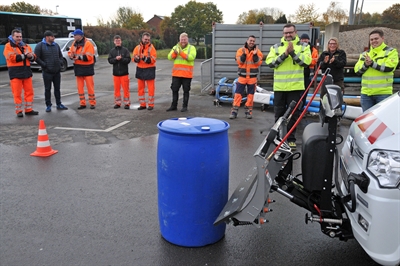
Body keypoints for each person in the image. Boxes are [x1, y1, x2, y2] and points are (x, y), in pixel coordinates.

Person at [265, 23, 311, 151]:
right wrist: (284, 54)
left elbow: (306, 62)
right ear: (283, 34)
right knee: (278, 113)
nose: (288, 35)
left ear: (295, 32)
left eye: (290, 32)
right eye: (286, 33)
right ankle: (277, 138)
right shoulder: (276, 47)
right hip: (280, 87)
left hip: (295, 87)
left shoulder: (304, 46)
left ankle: (290, 139)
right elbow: (271, 63)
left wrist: (293, 54)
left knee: (293, 115)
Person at [355, 29, 399, 112]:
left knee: (383, 121)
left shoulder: (391, 52)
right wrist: (366, 65)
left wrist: (372, 64)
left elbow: (389, 68)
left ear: (382, 38)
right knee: (367, 121)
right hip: (366, 94)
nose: (373, 41)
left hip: (383, 93)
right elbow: (357, 71)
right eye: (371, 39)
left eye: (376, 39)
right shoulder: (365, 54)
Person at [3, 29, 39, 117]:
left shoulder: (26, 46)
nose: (19, 38)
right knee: (17, 93)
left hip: (26, 71)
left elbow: (34, 57)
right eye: (17, 37)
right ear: (12, 37)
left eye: (20, 36)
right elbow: (12, 58)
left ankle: (28, 109)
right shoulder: (8, 46)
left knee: (29, 92)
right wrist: (25, 56)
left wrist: (30, 56)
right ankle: (19, 111)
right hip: (15, 72)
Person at [229, 35, 263, 119]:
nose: (252, 42)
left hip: (252, 78)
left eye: (253, 41)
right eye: (250, 40)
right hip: (242, 77)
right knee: (238, 94)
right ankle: (234, 111)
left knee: (250, 95)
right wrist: (244, 54)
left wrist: (255, 55)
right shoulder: (240, 50)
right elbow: (239, 62)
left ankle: (248, 111)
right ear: (247, 41)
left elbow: (258, 63)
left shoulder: (257, 51)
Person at [34, 30, 68, 112]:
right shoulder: (40, 46)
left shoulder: (56, 45)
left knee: (57, 89)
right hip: (47, 72)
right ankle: (48, 105)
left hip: (56, 71)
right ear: (47, 37)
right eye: (52, 36)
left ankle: (59, 104)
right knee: (47, 89)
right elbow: (36, 57)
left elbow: (60, 56)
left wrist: (60, 62)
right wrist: (44, 65)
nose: (54, 38)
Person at [166, 32, 197, 112]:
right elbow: (169, 57)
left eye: (184, 39)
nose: (183, 41)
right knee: (174, 89)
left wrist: (181, 53)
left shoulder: (191, 48)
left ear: (187, 39)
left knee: (186, 91)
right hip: (176, 74)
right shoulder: (175, 47)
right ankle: (174, 106)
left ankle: (184, 106)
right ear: (179, 40)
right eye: (181, 39)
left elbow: (191, 57)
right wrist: (174, 53)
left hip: (187, 74)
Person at [68, 29, 96, 109]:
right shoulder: (74, 43)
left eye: (75, 35)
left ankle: (92, 103)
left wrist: (78, 57)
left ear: (80, 36)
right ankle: (82, 103)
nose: (74, 36)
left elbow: (89, 57)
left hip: (87, 68)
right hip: (78, 68)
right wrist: (71, 55)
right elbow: (70, 52)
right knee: (80, 88)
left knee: (90, 87)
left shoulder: (88, 44)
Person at [133, 32, 157, 110]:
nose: (146, 41)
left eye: (148, 39)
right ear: (142, 39)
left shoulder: (152, 48)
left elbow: (153, 59)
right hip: (140, 69)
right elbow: (133, 58)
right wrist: (136, 59)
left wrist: (144, 58)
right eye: (145, 39)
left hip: (149, 69)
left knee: (151, 88)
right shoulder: (137, 48)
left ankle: (151, 104)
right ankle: (142, 104)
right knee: (140, 88)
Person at [108, 35, 131, 109]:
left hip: (124, 73)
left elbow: (128, 60)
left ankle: (127, 103)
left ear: (121, 41)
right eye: (116, 41)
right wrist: (115, 59)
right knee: (116, 90)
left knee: (126, 89)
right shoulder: (112, 51)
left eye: (119, 41)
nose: (117, 42)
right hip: (116, 74)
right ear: (114, 42)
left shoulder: (125, 50)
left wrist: (121, 59)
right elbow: (110, 60)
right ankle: (118, 103)